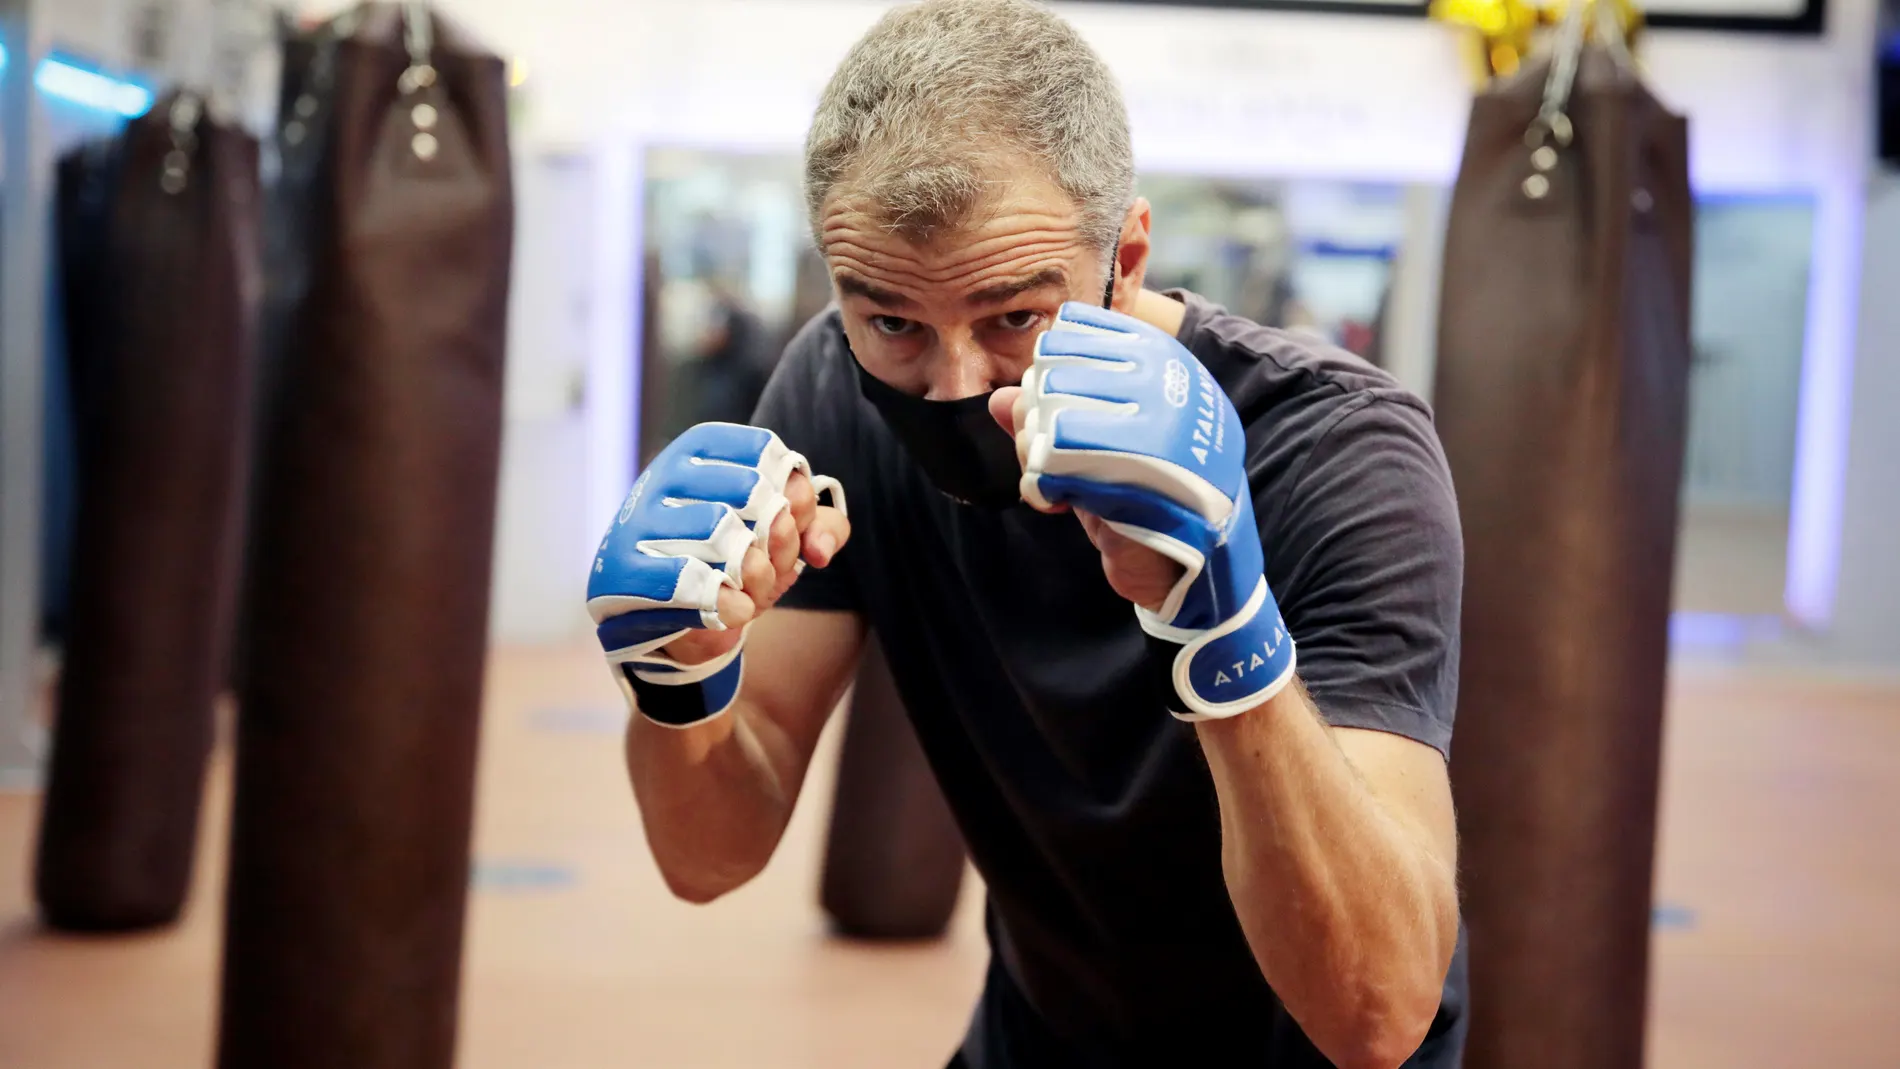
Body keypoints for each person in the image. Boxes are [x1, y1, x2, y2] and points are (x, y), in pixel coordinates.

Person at [585, 1, 1467, 1066]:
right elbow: (708, 860)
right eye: (893, 322)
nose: (954, 385)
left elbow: (1377, 1016)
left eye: (1014, 317)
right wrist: (678, 679)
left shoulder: (1335, 448)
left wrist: (1224, 626)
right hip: (1039, 1035)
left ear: (1125, 256)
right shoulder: (835, 389)